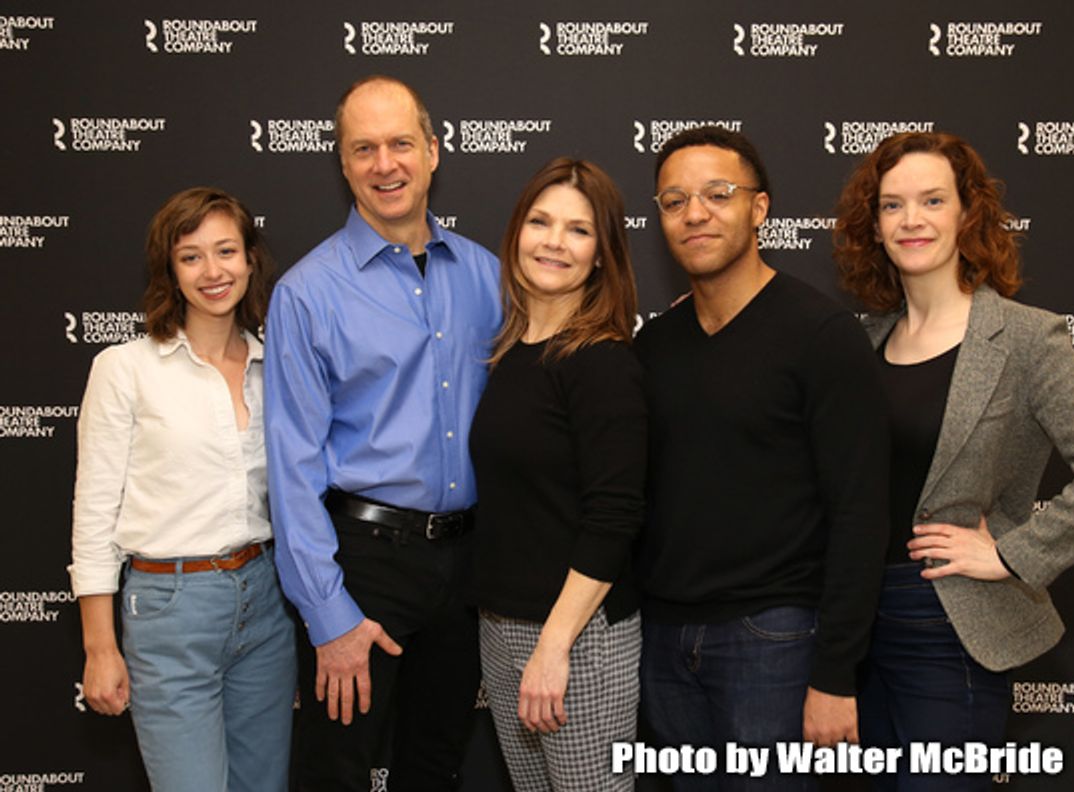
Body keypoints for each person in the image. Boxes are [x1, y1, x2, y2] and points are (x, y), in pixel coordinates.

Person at [832, 130, 1074, 791]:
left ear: (967, 214)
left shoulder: (1025, 338)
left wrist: (1011, 553)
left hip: (946, 622)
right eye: (892, 205)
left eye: (932, 200)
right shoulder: (860, 342)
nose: (912, 219)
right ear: (874, 225)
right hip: (852, 626)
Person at [263, 75, 501, 791]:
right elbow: (292, 468)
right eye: (363, 148)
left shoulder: (489, 276)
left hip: (467, 566)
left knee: (436, 766)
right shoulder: (307, 293)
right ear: (343, 163)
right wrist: (329, 613)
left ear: (433, 151)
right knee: (336, 773)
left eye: (400, 143)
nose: (385, 164)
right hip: (362, 565)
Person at [635, 125, 889, 790]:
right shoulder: (653, 347)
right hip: (663, 641)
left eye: (718, 194)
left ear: (759, 208)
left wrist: (835, 673)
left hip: (773, 640)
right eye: (674, 201)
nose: (695, 213)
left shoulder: (821, 335)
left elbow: (860, 512)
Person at [70, 187, 294, 792]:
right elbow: (93, 515)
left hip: (266, 601)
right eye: (191, 257)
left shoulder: (277, 367)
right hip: (169, 609)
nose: (212, 271)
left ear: (250, 259)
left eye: (226, 251)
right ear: (169, 270)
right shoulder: (125, 368)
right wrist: (100, 647)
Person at [468, 157, 645, 791]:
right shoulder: (511, 352)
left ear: (601, 255)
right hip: (504, 629)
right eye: (540, 222)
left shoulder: (600, 361)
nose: (554, 242)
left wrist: (554, 647)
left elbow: (614, 516)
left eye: (579, 230)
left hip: (578, 640)